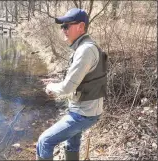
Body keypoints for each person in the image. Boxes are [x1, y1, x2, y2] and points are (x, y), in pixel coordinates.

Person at [36, 8, 107, 160]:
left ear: (81, 27)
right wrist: (56, 83)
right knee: (72, 144)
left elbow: (68, 87)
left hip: (83, 114)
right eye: (62, 26)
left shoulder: (85, 50)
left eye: (66, 26)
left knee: (44, 142)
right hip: (87, 111)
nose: (63, 29)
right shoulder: (86, 46)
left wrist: (50, 87)